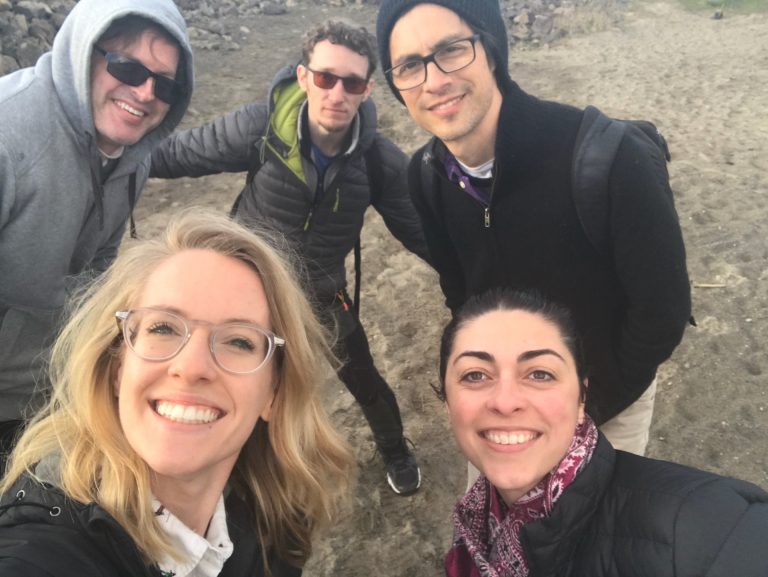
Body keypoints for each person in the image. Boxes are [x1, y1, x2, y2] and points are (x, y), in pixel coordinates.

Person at [375, 0, 692, 458]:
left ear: (492, 50)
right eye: (409, 66)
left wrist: (583, 406)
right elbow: (460, 295)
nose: (434, 80)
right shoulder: (425, 175)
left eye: (451, 50)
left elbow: (663, 310)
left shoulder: (610, 157)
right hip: (502, 406)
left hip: (605, 403)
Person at [151, 19, 429, 496]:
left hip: (321, 294)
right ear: (304, 77)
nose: (336, 93)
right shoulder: (260, 128)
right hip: (247, 295)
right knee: (237, 383)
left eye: (352, 83)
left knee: (362, 377)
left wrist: (478, 273)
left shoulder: (377, 160)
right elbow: (175, 155)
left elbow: (421, 232)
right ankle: (228, 468)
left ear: (367, 90)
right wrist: (108, 154)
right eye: (325, 77)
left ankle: (394, 450)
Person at [0, 209, 354, 576]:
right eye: (163, 328)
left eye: (238, 341)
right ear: (117, 366)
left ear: (274, 393)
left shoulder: (275, 521)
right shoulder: (40, 555)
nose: (191, 367)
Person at [438, 287, 768, 577]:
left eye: (540, 374)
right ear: (447, 403)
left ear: (581, 398)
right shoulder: (475, 522)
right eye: (475, 375)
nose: (505, 402)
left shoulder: (707, 528)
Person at [0, 0, 195, 459]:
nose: (145, 93)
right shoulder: (9, 136)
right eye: (128, 68)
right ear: (85, 53)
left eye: (165, 84)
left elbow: (97, 268)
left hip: (44, 392)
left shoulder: (132, 156)